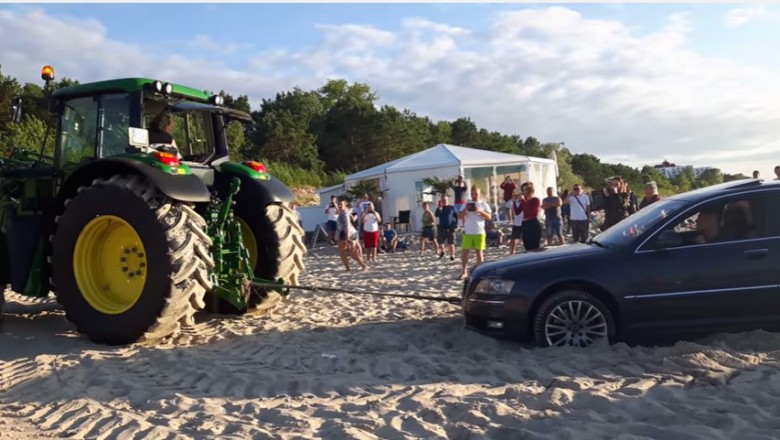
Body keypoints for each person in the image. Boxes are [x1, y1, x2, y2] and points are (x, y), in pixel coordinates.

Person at [458, 186, 492, 279]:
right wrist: (465, 210)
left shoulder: (483, 204)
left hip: (479, 232)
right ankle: (464, 272)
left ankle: (480, 273)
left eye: (475, 194)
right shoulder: (465, 204)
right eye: (472, 194)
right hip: (468, 232)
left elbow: (489, 217)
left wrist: (480, 211)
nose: (473, 196)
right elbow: (459, 217)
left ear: (479, 194)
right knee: (465, 253)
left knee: (479, 253)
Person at [337, 199, 367, 271]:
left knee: (345, 252)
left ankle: (360, 265)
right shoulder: (343, 212)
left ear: (345, 205)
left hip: (347, 232)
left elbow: (347, 224)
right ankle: (361, 265)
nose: (340, 205)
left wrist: (347, 236)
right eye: (339, 204)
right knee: (349, 252)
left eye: (341, 204)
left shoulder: (344, 213)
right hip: (350, 232)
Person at [515, 182, 542, 251]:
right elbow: (517, 212)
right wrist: (514, 202)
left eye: (525, 190)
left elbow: (530, 210)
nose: (523, 192)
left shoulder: (536, 200)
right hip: (525, 223)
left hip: (533, 222)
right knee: (527, 244)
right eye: (523, 190)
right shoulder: (524, 201)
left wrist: (523, 200)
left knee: (535, 246)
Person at [435, 194, 458, 261]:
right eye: (442, 200)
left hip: (450, 228)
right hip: (442, 228)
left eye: (445, 200)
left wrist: (455, 224)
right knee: (440, 242)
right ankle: (443, 251)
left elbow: (456, 216)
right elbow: (436, 215)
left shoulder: (452, 208)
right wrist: (439, 208)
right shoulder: (439, 208)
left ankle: (452, 255)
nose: (444, 201)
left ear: (447, 200)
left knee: (451, 243)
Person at [506, 187, 524, 254]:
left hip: (523, 222)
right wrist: (513, 198)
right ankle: (512, 251)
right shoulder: (515, 202)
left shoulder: (524, 202)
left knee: (525, 238)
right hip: (516, 223)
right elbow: (507, 205)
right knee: (513, 238)